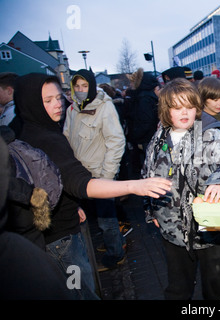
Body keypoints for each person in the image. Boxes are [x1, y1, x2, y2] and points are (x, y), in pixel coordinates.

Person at [13, 73, 172, 299]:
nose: (57, 104)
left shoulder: (37, 128)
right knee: (80, 291)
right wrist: (136, 186)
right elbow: (79, 182)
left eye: (59, 97)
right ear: (30, 103)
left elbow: (52, 178)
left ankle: (115, 251)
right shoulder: (44, 137)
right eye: (47, 101)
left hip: (63, 221)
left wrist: (70, 201)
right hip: (60, 240)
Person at [141, 78, 220, 300]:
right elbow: (147, 175)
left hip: (210, 230)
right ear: (165, 109)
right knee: (178, 290)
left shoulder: (209, 135)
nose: (184, 113)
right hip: (173, 231)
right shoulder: (159, 138)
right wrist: (152, 211)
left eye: (189, 106)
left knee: (216, 291)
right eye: (177, 107)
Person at [63, 69, 127, 272]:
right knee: (87, 218)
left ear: (91, 86)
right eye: (77, 86)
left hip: (100, 174)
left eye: (85, 86)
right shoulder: (72, 109)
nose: (81, 90)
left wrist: (107, 177)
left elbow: (116, 142)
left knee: (106, 219)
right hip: (78, 174)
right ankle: (110, 244)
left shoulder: (104, 107)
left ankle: (116, 255)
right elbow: (66, 138)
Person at [0, 136, 78, 300]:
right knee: (74, 285)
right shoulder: (27, 134)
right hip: (53, 235)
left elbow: (68, 173)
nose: (59, 107)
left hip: (59, 231)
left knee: (76, 284)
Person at [126, 68, 161, 178]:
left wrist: (136, 137)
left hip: (146, 139)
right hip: (149, 138)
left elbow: (145, 122)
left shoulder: (143, 98)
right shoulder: (147, 97)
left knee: (149, 166)